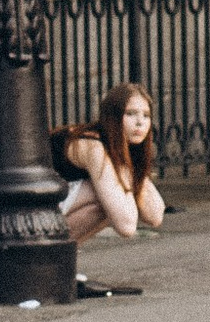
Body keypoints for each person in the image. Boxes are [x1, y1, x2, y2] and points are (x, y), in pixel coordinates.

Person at [51, 83, 165, 295]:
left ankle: (55, 262)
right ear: (113, 117)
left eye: (146, 115)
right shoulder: (93, 146)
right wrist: (124, 167)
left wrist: (128, 166)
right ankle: (48, 260)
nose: (140, 122)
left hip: (53, 210)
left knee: (110, 198)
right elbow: (127, 225)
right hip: (31, 214)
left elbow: (156, 214)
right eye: (130, 114)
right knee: (106, 198)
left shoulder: (119, 149)